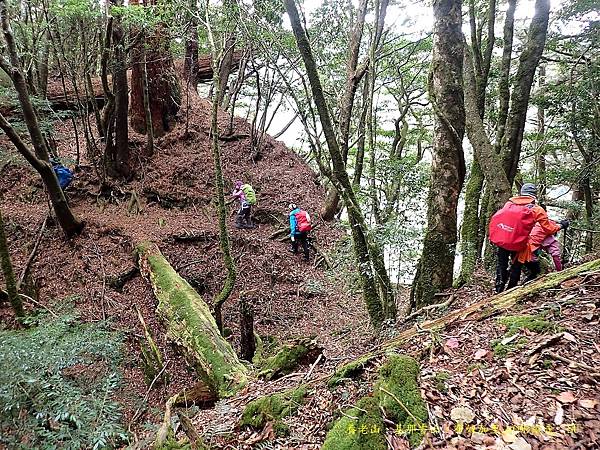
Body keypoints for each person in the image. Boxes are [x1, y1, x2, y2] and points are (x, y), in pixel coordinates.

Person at [489, 183, 567, 293]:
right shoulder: (537, 209)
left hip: (503, 239)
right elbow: (549, 229)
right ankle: (510, 291)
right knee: (516, 266)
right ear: (534, 195)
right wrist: (561, 225)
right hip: (519, 243)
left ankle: (498, 289)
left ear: (521, 193)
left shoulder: (509, 204)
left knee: (501, 264)